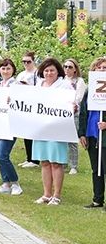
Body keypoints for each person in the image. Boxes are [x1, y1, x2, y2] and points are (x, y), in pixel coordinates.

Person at [33, 58, 75, 206]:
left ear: (58, 71)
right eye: (46, 70)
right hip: (41, 128)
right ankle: (46, 194)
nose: (49, 73)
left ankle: (56, 195)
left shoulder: (65, 86)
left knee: (56, 163)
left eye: (51, 70)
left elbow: (71, 104)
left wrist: (72, 108)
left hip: (57, 129)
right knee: (44, 161)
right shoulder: (38, 85)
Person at [78, 57, 106, 208]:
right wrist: (82, 133)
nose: (102, 70)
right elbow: (84, 113)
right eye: (99, 67)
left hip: (104, 134)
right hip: (92, 134)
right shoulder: (90, 90)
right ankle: (97, 199)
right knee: (96, 168)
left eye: (104, 68)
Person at [0, 58, 22, 195]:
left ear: (13, 70)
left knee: (3, 156)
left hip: (11, 124)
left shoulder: (16, 85)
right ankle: (6, 183)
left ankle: (16, 183)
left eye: (8, 68)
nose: (5, 71)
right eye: (3, 69)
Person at [63, 58, 86, 175]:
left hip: (74, 113)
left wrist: (72, 105)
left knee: (72, 140)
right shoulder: (61, 80)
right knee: (62, 139)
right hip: (61, 114)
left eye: (70, 67)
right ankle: (63, 163)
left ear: (75, 69)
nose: (67, 69)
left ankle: (74, 165)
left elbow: (79, 97)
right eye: (65, 66)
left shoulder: (79, 81)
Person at [16, 51, 40, 167]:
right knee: (26, 132)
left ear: (33, 61)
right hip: (23, 105)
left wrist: (28, 87)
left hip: (34, 105)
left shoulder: (37, 73)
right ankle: (29, 157)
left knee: (33, 133)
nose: (26, 64)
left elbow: (41, 89)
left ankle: (35, 159)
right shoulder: (21, 74)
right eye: (24, 61)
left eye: (28, 61)